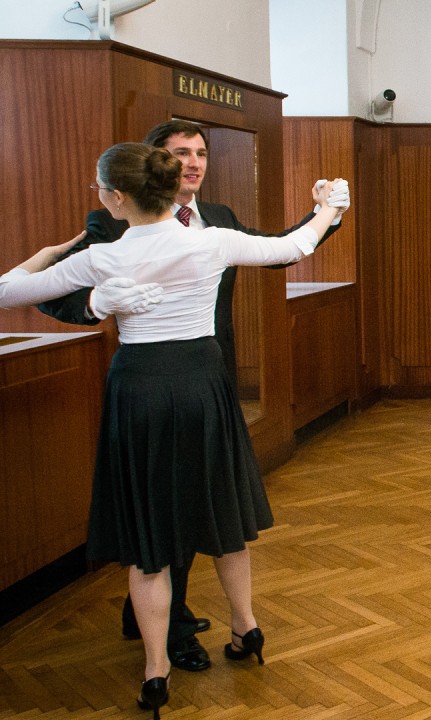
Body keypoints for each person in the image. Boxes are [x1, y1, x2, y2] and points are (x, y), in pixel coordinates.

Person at [0, 143, 348, 718]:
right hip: (203, 383)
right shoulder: (210, 240)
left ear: (116, 197)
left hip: (141, 388)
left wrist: (50, 255)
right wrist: (330, 206)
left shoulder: (104, 257)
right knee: (222, 511)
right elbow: (297, 245)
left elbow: (7, 291)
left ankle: (156, 668)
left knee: (150, 537)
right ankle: (246, 628)